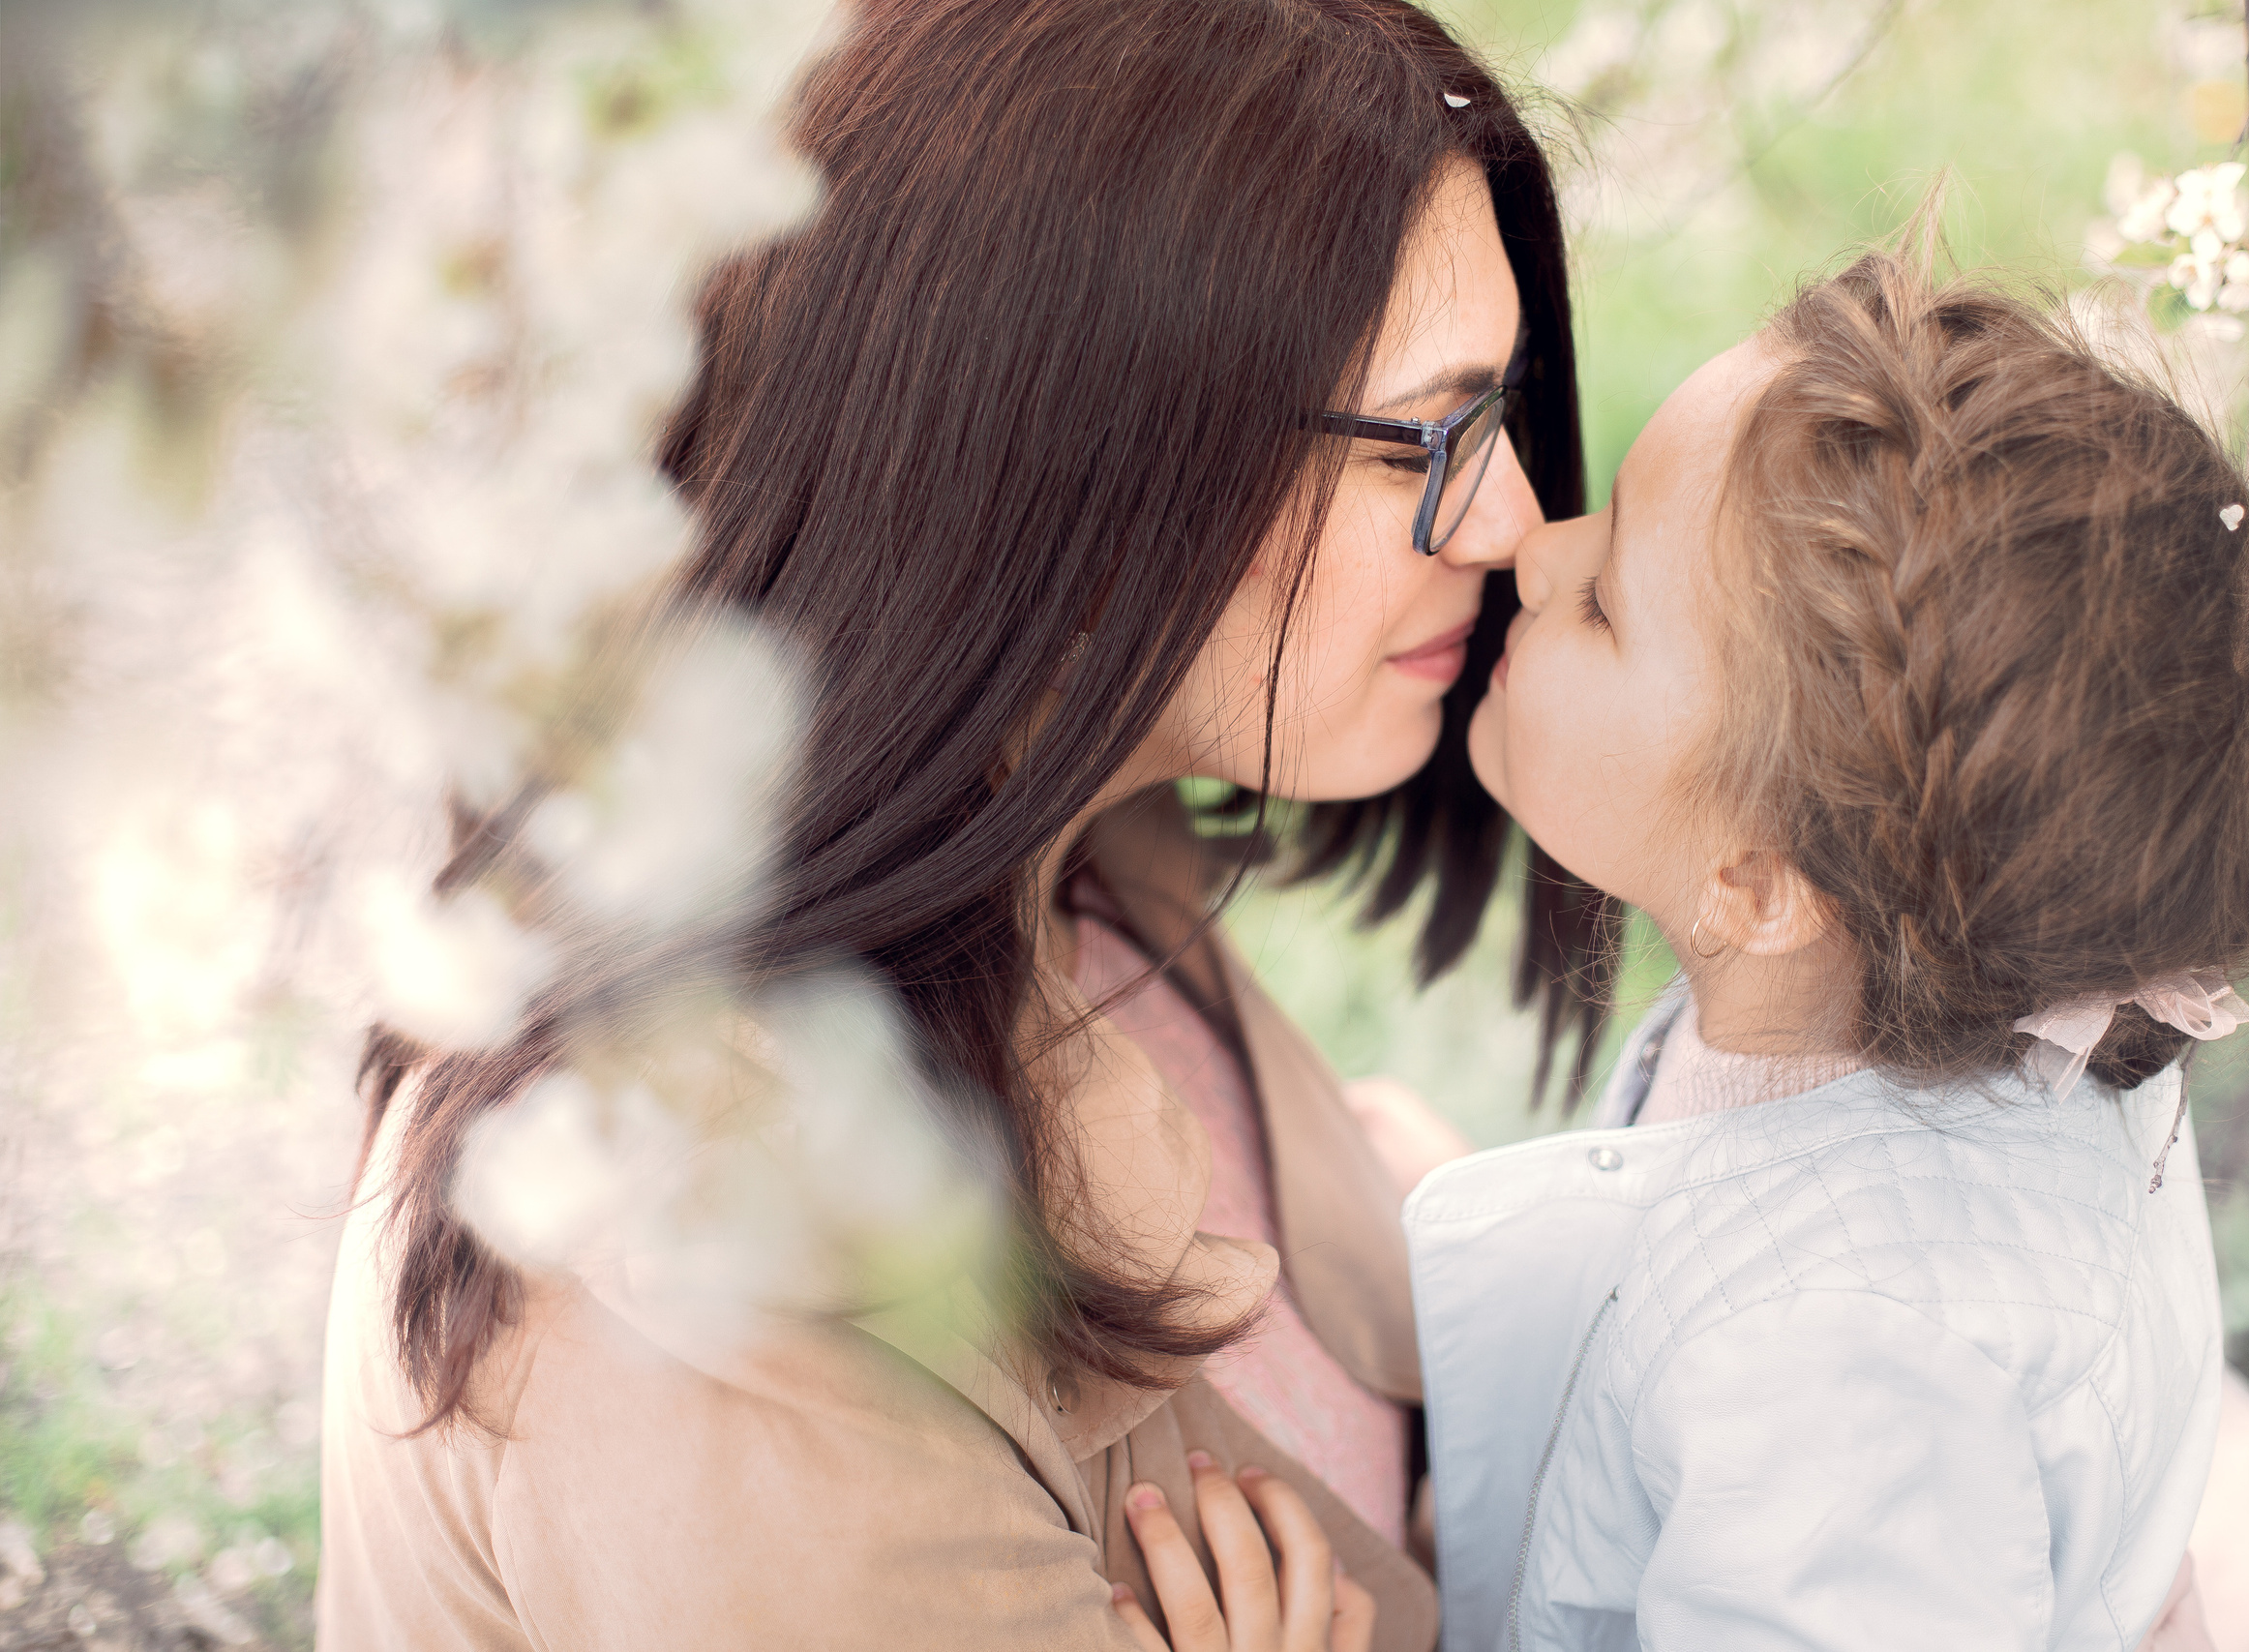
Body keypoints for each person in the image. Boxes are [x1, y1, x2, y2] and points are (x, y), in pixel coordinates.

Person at [315, 1, 1606, 1647]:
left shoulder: (1063, 850)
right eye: (1432, 435)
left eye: (1505, 413)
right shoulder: (729, 1296)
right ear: (1063, 460)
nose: (1511, 521)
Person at [1409, 224, 2249, 1650]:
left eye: (1609, 599)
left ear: (1761, 886)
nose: (1538, 552)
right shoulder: (1998, 984)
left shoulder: (1849, 1374)